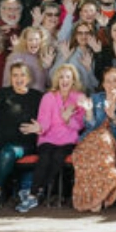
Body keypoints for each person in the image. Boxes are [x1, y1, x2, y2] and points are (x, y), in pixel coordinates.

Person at [16, 64, 88, 213]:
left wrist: (68, 119)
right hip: (48, 137)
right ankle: (34, 195)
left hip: (68, 139)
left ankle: (37, 191)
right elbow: (44, 121)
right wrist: (39, 128)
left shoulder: (79, 98)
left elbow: (80, 125)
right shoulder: (48, 97)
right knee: (45, 157)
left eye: (68, 77)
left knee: (58, 157)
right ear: (57, 79)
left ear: (73, 80)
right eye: (61, 77)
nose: (64, 80)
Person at [0, 63, 42, 214]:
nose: (18, 79)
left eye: (22, 75)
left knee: (7, 153)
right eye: (15, 75)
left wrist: (40, 128)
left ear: (28, 78)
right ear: (10, 77)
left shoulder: (37, 97)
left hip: (23, 143)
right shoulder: (2, 93)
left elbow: (50, 118)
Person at [71, 65, 116, 213]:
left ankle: (100, 195)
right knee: (86, 152)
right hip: (92, 139)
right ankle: (94, 198)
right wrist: (88, 112)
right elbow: (90, 125)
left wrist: (113, 116)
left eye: (115, 80)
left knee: (103, 139)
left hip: (113, 142)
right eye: (108, 81)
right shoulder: (96, 99)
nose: (112, 84)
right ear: (103, 84)